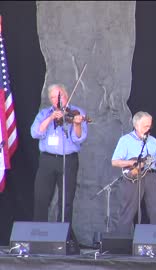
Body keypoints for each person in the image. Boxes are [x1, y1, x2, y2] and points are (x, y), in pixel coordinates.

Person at [30, 83, 88, 241]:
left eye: (60, 95)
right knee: (41, 197)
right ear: (50, 100)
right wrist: (50, 118)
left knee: (66, 200)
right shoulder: (44, 113)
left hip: (67, 160)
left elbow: (79, 138)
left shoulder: (76, 112)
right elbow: (35, 133)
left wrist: (76, 124)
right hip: (47, 160)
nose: (57, 99)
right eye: (54, 97)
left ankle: (63, 237)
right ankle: (38, 236)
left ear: (66, 95)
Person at [111, 111, 156, 234]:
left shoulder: (153, 140)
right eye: (145, 126)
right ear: (136, 125)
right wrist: (132, 163)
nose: (148, 129)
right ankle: (122, 242)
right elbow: (115, 162)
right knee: (128, 211)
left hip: (151, 176)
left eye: (150, 126)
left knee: (155, 210)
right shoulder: (125, 140)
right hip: (133, 177)